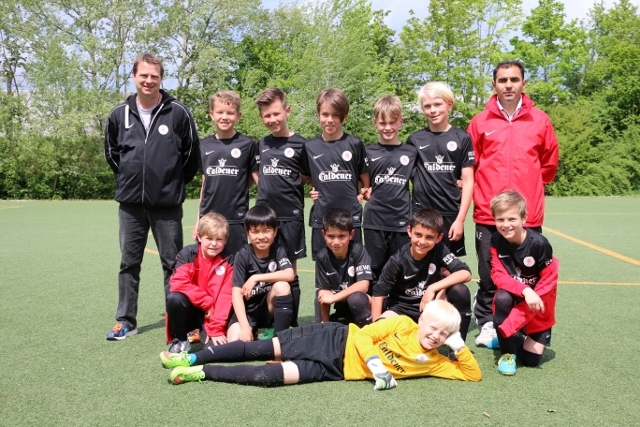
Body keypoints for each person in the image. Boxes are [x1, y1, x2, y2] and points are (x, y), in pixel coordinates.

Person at [159, 299, 482, 387]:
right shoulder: (403, 323)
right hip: (333, 338)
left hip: (336, 371)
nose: (435, 336)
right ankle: (192, 358)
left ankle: (202, 373)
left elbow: (472, 374)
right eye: (434, 328)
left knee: (268, 377)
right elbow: (365, 334)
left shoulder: (437, 360)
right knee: (260, 348)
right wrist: (374, 363)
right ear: (422, 319)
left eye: (444, 334)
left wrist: (458, 345)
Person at [104, 52, 200, 340]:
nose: (148, 80)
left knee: (174, 265)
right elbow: (112, 155)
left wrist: (169, 183)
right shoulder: (118, 114)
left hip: (167, 205)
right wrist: (132, 179)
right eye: (143, 75)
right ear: (134, 76)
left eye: (154, 76)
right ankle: (126, 321)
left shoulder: (178, 112)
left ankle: (178, 323)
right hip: (130, 205)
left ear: (161, 79)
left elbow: (191, 157)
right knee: (128, 264)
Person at [467, 60, 559, 347]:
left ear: (523, 83)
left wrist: (529, 188)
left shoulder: (540, 121)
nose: (508, 85)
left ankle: (524, 323)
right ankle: (487, 323)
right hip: (488, 213)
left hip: (526, 216)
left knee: (528, 275)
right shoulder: (480, 122)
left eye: (514, 80)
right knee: (488, 273)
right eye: (503, 80)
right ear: (494, 84)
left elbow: (549, 165)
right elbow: (471, 165)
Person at [300, 88, 370, 322]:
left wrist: (364, 192)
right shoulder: (310, 147)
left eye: (335, 115)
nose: (329, 120)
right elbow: (305, 176)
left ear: (344, 117)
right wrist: (313, 189)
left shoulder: (354, 143)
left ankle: (356, 321)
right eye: (325, 114)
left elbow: (366, 180)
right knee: (323, 276)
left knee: (355, 272)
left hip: (351, 220)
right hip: (322, 220)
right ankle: (322, 325)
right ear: (318, 114)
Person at [371, 209, 473, 350]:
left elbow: (465, 273)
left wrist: (433, 288)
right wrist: (375, 328)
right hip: (401, 311)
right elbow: (378, 295)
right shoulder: (397, 260)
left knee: (460, 291)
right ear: (409, 231)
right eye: (418, 235)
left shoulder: (439, 250)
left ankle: (456, 350)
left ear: (438, 238)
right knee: (385, 336)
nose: (422, 242)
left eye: (429, 237)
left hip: (430, 310)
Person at [488, 190, 559, 376]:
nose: (506, 225)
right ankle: (507, 352)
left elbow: (549, 282)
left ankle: (506, 336)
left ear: (524, 218)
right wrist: (525, 290)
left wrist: (511, 323)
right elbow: (498, 276)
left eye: (512, 219)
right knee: (502, 298)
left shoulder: (540, 244)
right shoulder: (495, 240)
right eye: (500, 220)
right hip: (517, 295)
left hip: (539, 301)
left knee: (530, 361)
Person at [254, 88, 306, 326]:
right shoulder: (262, 144)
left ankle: (290, 324)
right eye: (267, 115)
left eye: (276, 113)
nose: (272, 119)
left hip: (291, 217)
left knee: (289, 271)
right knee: (265, 267)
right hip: (265, 218)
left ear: (287, 111)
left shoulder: (302, 144)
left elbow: (308, 176)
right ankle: (267, 323)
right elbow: (257, 173)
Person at [407, 82, 474, 257]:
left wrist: (460, 220)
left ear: (449, 105)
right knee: (419, 262)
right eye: (427, 106)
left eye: (437, 104)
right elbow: (407, 174)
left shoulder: (462, 138)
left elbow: (468, 181)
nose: (433, 110)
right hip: (421, 214)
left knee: (449, 266)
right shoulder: (415, 139)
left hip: (450, 214)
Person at [361, 95, 416, 288]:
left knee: (400, 269)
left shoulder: (411, 152)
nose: (387, 127)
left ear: (401, 121)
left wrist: (457, 181)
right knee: (374, 270)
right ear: (375, 122)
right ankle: (374, 305)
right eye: (382, 123)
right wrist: (362, 191)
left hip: (402, 221)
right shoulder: (367, 152)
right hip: (374, 221)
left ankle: (397, 305)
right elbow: (358, 181)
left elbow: (425, 179)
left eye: (392, 122)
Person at [195, 90, 259, 255]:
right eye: (220, 112)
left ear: (238, 116)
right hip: (208, 217)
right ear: (211, 114)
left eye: (230, 113)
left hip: (236, 219)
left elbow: (255, 179)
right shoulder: (203, 145)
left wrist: (238, 187)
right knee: (208, 264)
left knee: (237, 263)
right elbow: (205, 183)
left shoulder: (248, 144)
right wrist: (198, 220)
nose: (225, 117)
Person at [164, 212, 234, 353]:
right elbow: (178, 283)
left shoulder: (230, 260)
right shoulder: (187, 254)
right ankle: (181, 340)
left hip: (214, 313)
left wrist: (216, 329)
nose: (214, 244)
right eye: (209, 238)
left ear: (226, 240)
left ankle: (209, 332)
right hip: (194, 307)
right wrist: (206, 302)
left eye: (219, 239)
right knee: (174, 298)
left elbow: (226, 296)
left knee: (213, 350)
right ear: (199, 237)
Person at [227, 205, 295, 342]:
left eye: (266, 230)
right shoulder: (243, 255)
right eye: (255, 231)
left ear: (275, 231)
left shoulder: (278, 250)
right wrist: (245, 327)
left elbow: (290, 274)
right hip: (247, 313)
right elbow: (236, 293)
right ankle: (255, 332)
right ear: (247, 232)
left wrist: (256, 277)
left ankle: (279, 340)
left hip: (268, 310)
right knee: (235, 342)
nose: (261, 236)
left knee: (282, 286)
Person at [316, 208, 372, 327]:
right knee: (321, 326)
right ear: (323, 234)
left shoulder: (359, 251)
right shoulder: (322, 257)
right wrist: (325, 323)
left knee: (356, 298)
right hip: (342, 309)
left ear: (351, 234)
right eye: (331, 236)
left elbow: (363, 285)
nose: (336, 242)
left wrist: (334, 298)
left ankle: (367, 332)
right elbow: (324, 291)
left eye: (342, 236)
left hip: (366, 305)